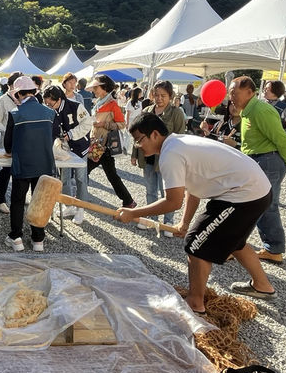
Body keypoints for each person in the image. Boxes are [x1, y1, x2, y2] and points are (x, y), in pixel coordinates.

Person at [118, 113, 276, 314]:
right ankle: (262, 286)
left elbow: (173, 202)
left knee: (195, 244)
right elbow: (194, 189)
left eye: (140, 140)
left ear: (155, 134)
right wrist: (185, 222)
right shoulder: (179, 142)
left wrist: (133, 213)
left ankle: (195, 304)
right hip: (255, 189)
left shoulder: (170, 154)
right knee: (234, 241)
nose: (139, 146)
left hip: (244, 194)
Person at [229, 75, 286, 264]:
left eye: (234, 92)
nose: (231, 97)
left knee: (254, 205)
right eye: (230, 92)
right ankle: (272, 248)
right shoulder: (249, 109)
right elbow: (268, 139)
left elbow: (281, 138)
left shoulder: (260, 110)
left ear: (250, 92)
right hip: (261, 160)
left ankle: (233, 246)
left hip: (267, 162)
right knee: (264, 206)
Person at [4, 75, 58, 252]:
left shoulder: (16, 114)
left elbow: (8, 145)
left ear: (18, 94)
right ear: (34, 92)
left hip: (22, 164)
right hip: (44, 164)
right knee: (39, 200)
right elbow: (53, 137)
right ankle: (38, 240)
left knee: (18, 201)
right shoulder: (50, 113)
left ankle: (16, 237)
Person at [130, 80, 184, 235]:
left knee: (167, 191)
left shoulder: (176, 113)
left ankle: (168, 222)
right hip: (147, 157)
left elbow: (180, 136)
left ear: (170, 96)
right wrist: (134, 154)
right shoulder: (147, 109)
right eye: (157, 95)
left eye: (163, 95)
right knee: (150, 190)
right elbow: (138, 135)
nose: (159, 98)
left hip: (166, 159)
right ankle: (152, 219)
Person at [43, 85, 93, 225]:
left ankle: (81, 208)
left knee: (80, 178)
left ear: (58, 99)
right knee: (64, 178)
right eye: (46, 103)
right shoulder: (51, 111)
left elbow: (88, 123)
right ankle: (69, 206)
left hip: (80, 146)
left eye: (50, 103)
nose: (48, 106)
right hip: (64, 148)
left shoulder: (75, 106)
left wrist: (72, 134)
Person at [87, 74, 136, 210]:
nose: (94, 90)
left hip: (105, 145)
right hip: (97, 143)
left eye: (97, 87)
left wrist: (104, 124)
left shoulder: (112, 104)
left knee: (85, 171)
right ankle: (128, 201)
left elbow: (121, 124)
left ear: (104, 88)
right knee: (111, 175)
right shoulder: (99, 102)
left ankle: (79, 198)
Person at [0, 72, 21, 214]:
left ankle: (19, 197)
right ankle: (0, 199)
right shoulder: (3, 99)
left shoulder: (25, 99)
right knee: (6, 169)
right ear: (10, 85)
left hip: (23, 140)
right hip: (8, 140)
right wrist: (7, 131)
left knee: (21, 169)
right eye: (16, 84)